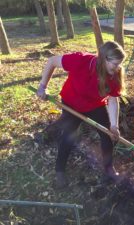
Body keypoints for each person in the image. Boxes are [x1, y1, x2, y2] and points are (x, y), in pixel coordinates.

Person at [36, 41, 126, 188]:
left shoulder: (114, 75)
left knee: (107, 135)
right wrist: (42, 86)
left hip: (95, 105)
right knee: (69, 135)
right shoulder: (81, 60)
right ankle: (60, 171)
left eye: (120, 64)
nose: (117, 68)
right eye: (115, 64)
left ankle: (109, 170)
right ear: (103, 58)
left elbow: (112, 99)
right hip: (71, 102)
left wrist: (114, 125)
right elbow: (52, 61)